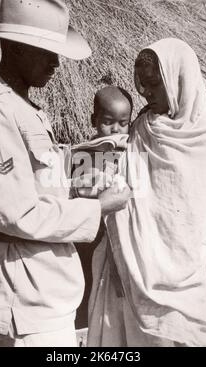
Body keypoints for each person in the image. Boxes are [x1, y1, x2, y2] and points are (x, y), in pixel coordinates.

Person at [0, 0, 130, 347]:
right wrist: (99, 207)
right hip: (25, 287)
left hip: (45, 284)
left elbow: (36, 181)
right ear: (16, 48)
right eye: (46, 52)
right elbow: (15, 213)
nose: (55, 63)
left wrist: (79, 172)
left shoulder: (24, 108)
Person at [87, 38, 206, 347]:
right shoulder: (141, 126)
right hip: (132, 261)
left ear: (179, 78)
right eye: (142, 85)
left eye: (154, 84)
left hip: (183, 262)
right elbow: (119, 187)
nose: (146, 93)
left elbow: (189, 203)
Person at [73, 86, 132, 329]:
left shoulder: (132, 152)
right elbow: (81, 191)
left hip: (121, 236)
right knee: (90, 285)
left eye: (123, 123)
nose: (116, 130)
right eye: (108, 122)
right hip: (92, 236)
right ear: (93, 120)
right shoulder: (83, 153)